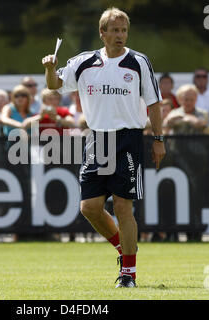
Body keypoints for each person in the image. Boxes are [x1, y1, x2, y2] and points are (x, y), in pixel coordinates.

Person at [42, 7, 165, 288]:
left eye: (124, 30)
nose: (120, 35)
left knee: (123, 206)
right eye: (115, 30)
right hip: (97, 139)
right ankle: (124, 250)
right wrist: (50, 68)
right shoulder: (84, 62)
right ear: (103, 33)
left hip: (129, 139)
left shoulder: (138, 62)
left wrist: (158, 139)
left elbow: (154, 104)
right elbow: (54, 86)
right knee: (89, 207)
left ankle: (128, 275)